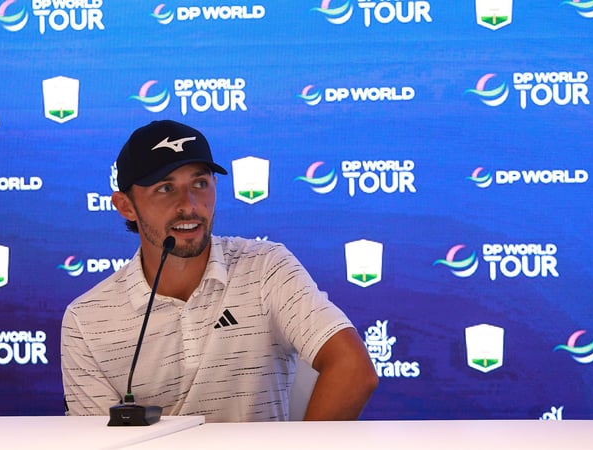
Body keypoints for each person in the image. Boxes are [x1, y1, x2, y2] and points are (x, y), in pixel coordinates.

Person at [60, 119, 378, 422]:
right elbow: (98, 441)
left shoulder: (267, 267)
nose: (190, 205)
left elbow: (353, 369)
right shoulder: (86, 320)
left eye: (200, 183)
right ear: (126, 206)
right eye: (165, 189)